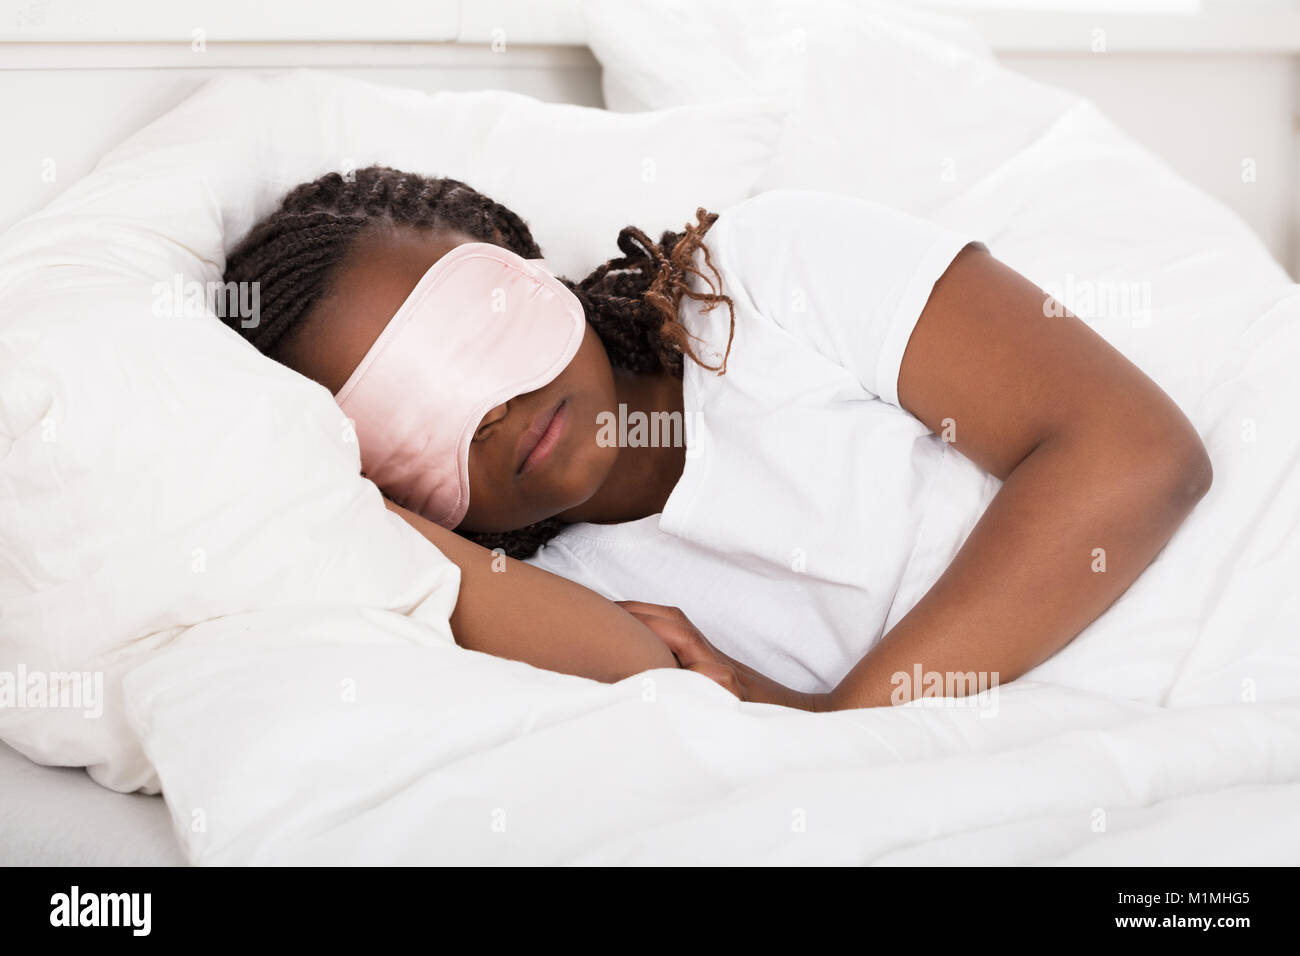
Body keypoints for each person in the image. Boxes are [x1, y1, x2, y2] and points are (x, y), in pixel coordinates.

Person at [221, 166, 1212, 711]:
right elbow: (657, 689)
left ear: (521, 259)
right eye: (401, 415)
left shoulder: (762, 283)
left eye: (468, 323)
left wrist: (846, 723)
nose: (488, 407)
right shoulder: (562, 603)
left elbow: (1134, 454)